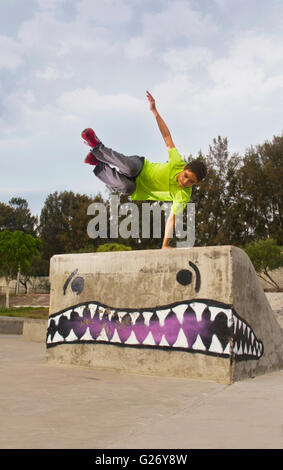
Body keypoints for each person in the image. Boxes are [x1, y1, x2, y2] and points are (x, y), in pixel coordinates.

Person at [82, 91, 207, 249]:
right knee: (130, 167)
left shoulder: (183, 196)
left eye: (190, 182)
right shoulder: (177, 162)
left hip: (138, 188)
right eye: (186, 176)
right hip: (140, 167)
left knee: (127, 187)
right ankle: (97, 146)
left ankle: (98, 164)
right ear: (184, 168)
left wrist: (165, 245)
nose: (185, 182)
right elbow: (167, 136)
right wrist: (155, 111)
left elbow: (172, 218)